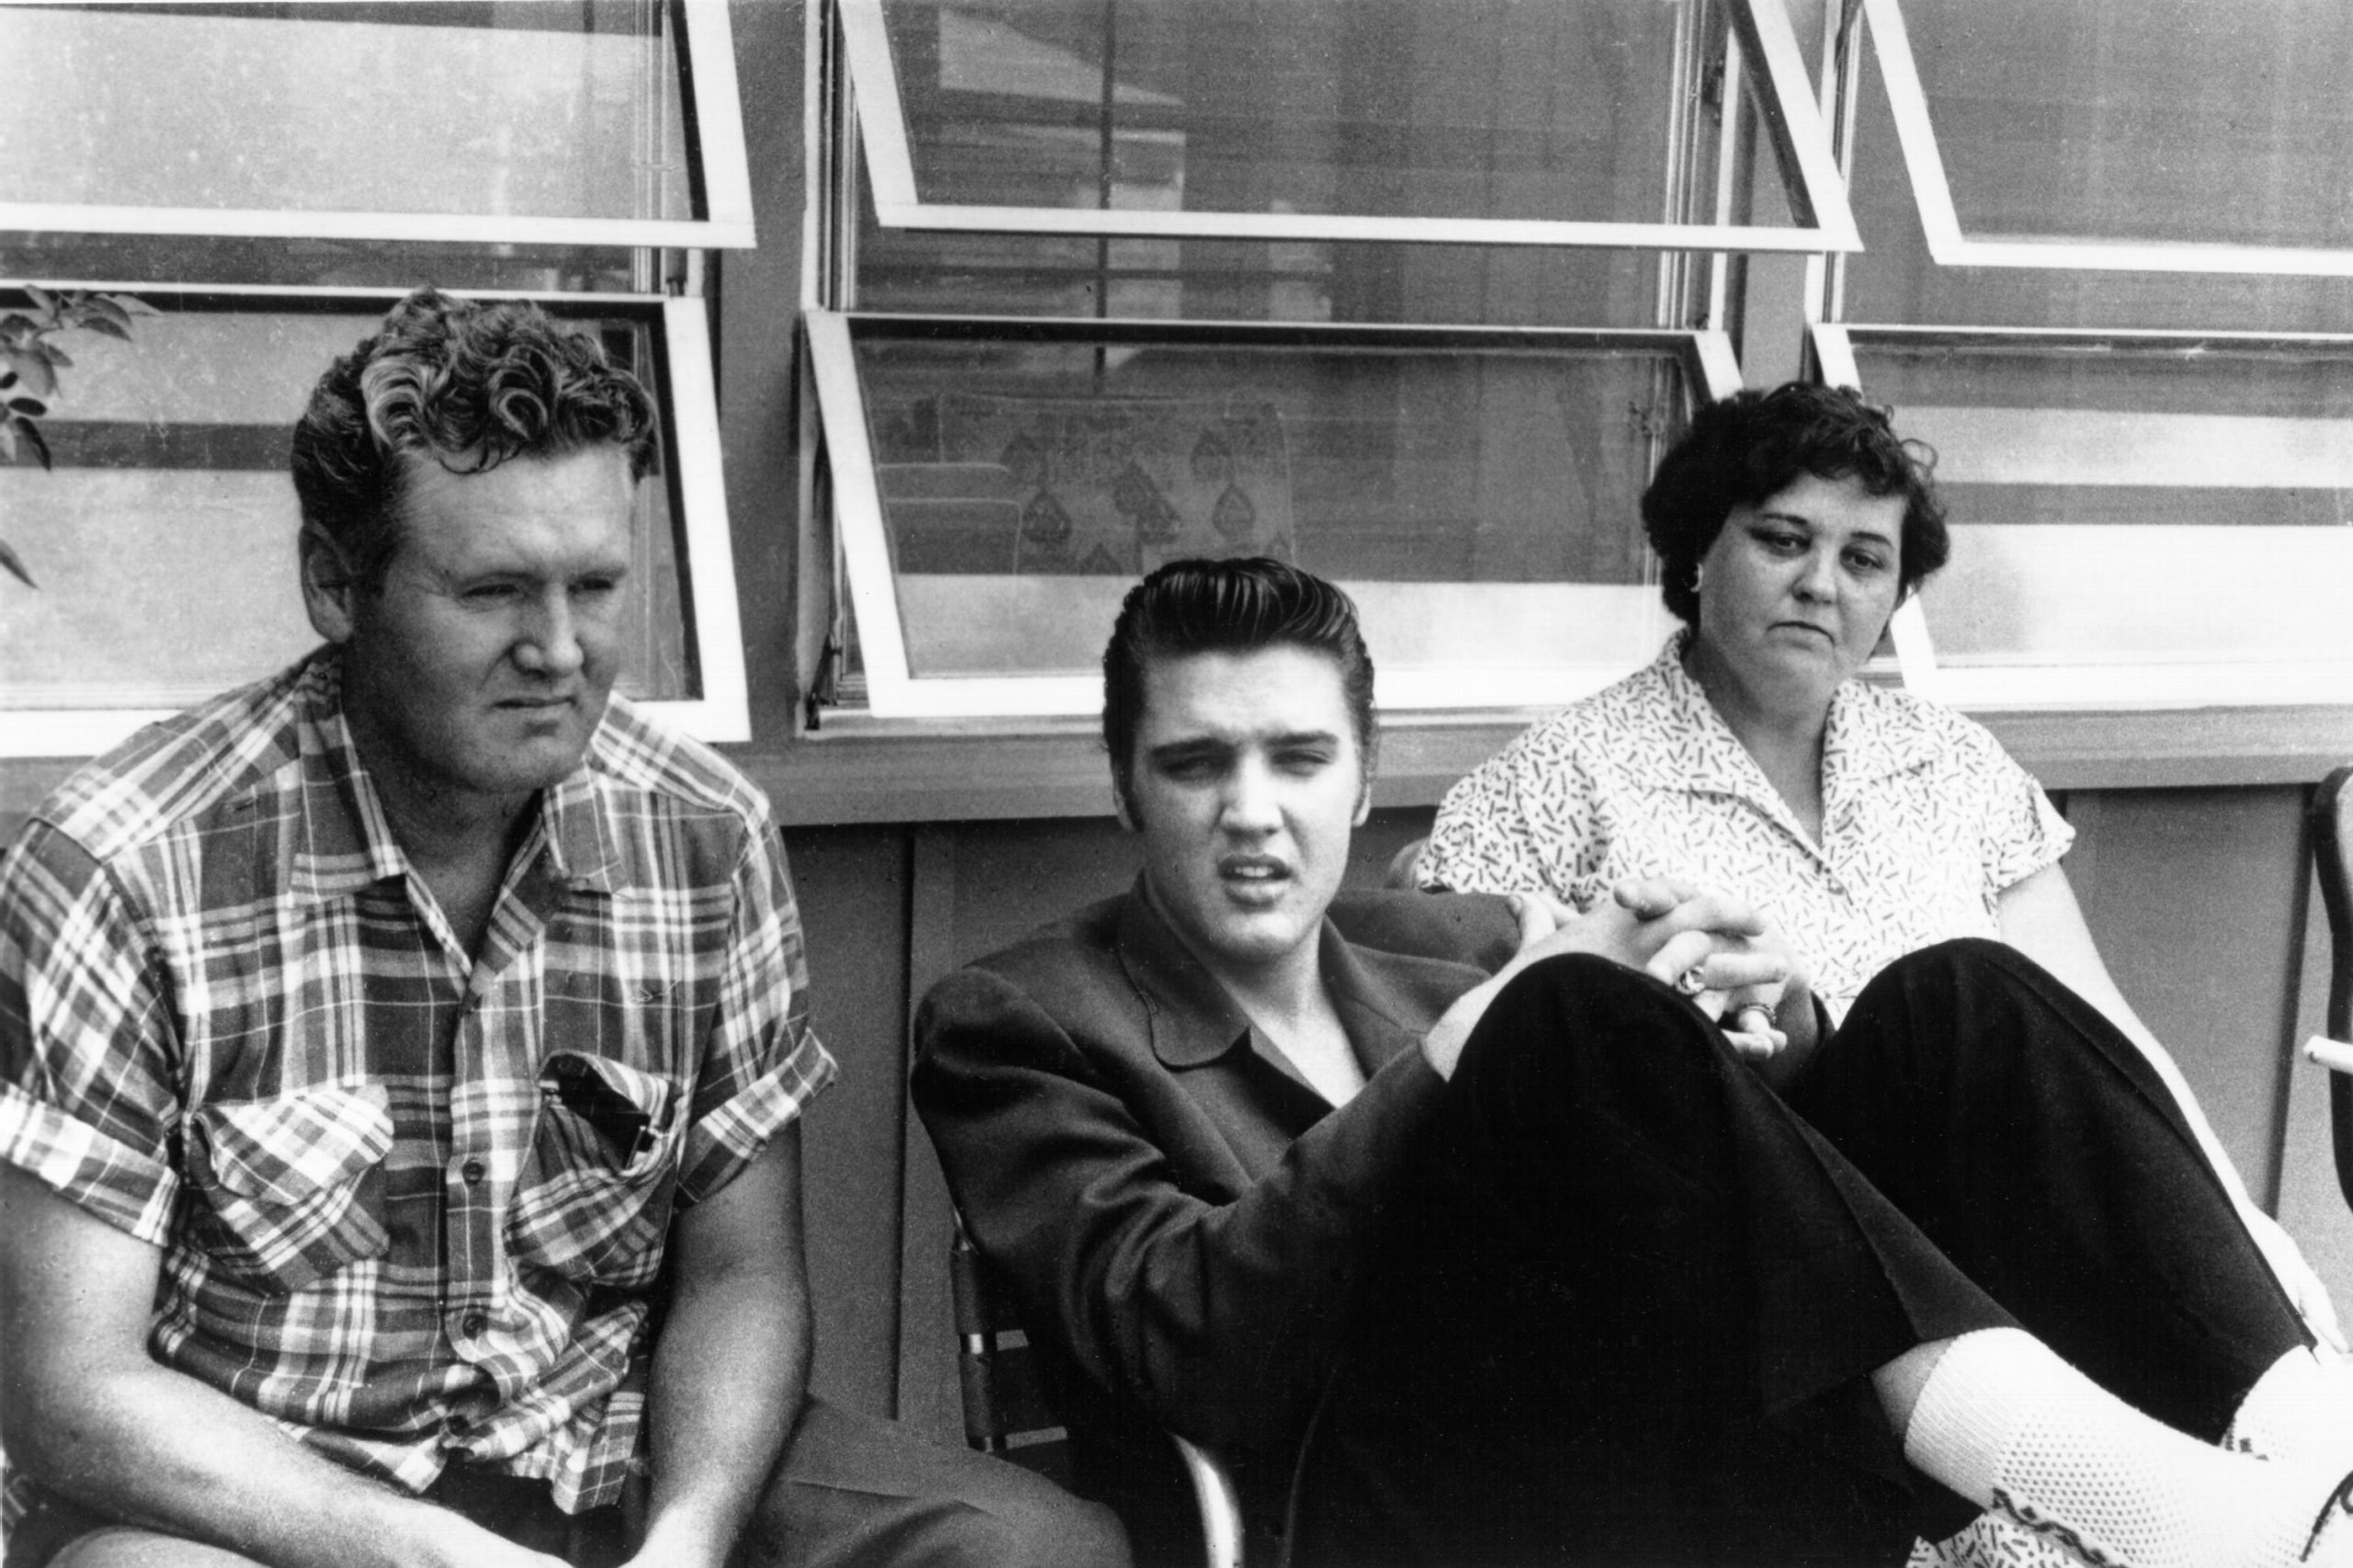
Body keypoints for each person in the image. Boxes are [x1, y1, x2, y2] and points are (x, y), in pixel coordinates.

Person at [914, 553, 2353, 1568]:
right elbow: (1189, 1342)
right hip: (1373, 1509)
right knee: (1561, 1017)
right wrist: (1505, 1024)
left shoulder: (1442, 934)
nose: (1251, 812)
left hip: (1664, 1431)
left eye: (1297, 759)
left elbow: (1721, 1171)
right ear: (1122, 782)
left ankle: (2315, 1459)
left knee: (1955, 998)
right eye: (1192, 765)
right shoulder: (1016, 1022)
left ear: (1362, 773)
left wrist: (1774, 1023)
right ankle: (2134, 1499)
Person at [0, 289, 1126, 1568]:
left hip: (609, 1460)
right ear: (333, 582)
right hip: (272, 1506)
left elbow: (742, 1276)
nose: (559, 650)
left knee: (1032, 1551)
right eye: (492, 591)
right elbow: (67, 1389)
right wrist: (425, 1553)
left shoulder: (705, 836)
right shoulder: (123, 867)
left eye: (595, 587)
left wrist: (689, 1539)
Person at [1415, 382, 2344, 1563]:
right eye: (1782, 538)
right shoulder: (1554, 783)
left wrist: (2267, 1258)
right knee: (1943, 998)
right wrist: (1772, 1040)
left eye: (1865, 558)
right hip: (1744, 1269)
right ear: (1696, 550)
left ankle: (2320, 1456)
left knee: (1966, 990)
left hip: (2001, 1254)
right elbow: (1506, 1081)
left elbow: (2111, 1052)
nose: (1821, 583)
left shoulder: (1950, 763)